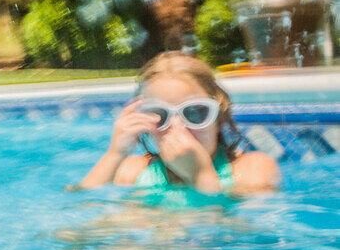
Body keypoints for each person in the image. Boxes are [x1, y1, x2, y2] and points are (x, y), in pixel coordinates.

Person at [75, 51, 280, 195]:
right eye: (159, 115)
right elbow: (80, 214)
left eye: (195, 113)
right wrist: (115, 154)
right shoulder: (133, 172)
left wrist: (200, 174)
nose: (177, 127)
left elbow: (233, 240)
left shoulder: (252, 170)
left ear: (219, 118)